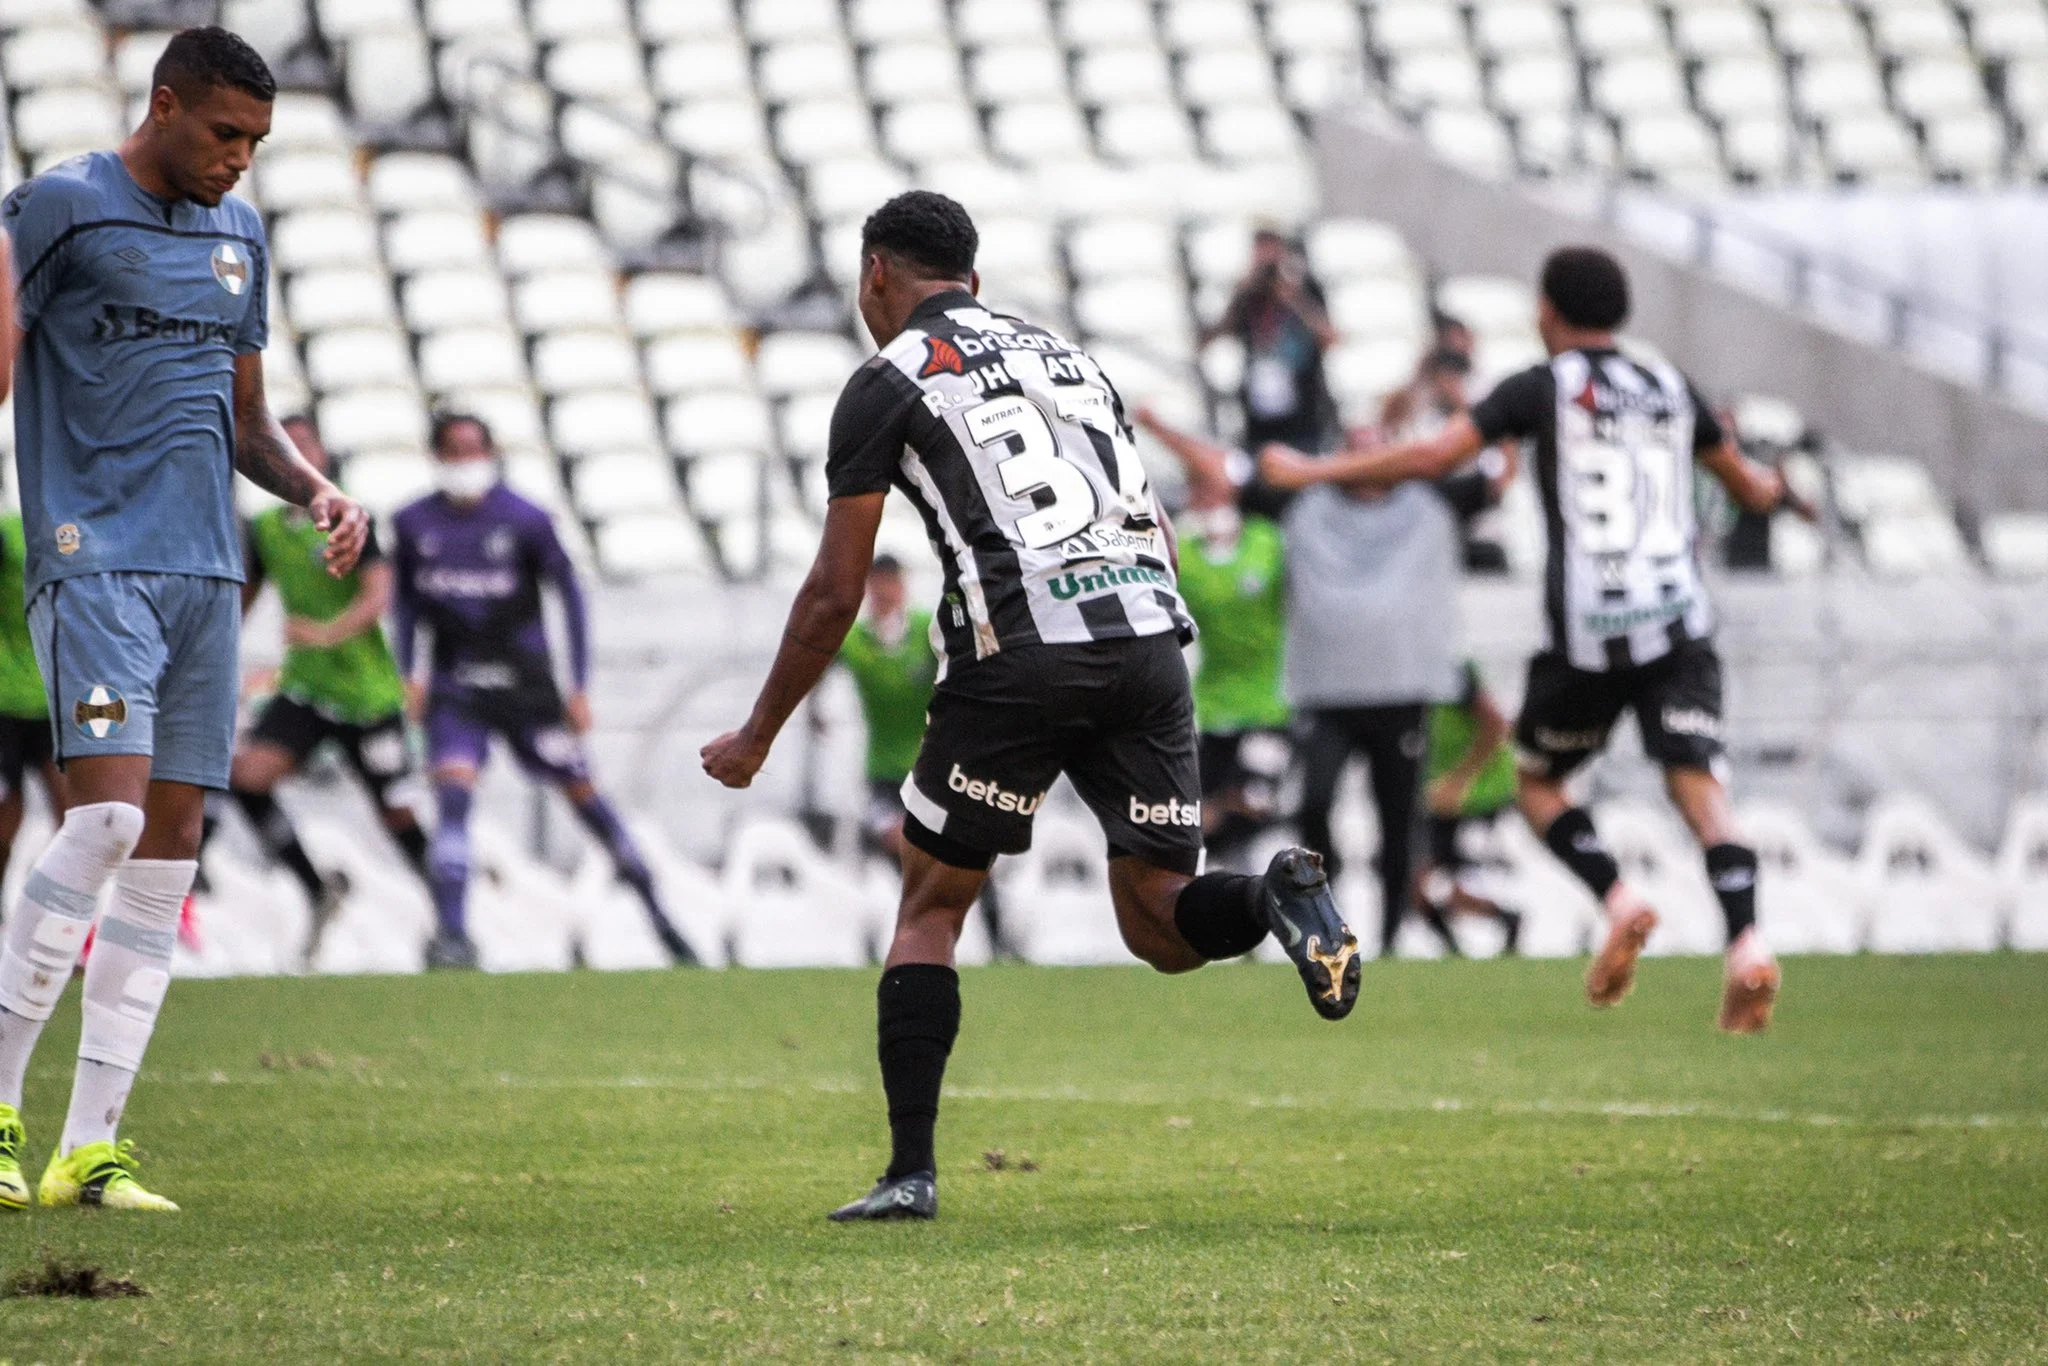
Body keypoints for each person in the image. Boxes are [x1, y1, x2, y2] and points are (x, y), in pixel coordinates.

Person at [702, 191, 1360, 1224]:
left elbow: (836, 590)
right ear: (972, 269)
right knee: (1158, 921)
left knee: (929, 904)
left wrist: (756, 734)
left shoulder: (882, 380)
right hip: (1146, 637)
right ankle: (1272, 895)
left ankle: (909, 1171)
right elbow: (1151, 520)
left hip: (1018, 654)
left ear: (876, 271)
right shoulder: (1068, 358)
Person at [0, 27, 370, 1213]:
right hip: (92, 557)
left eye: (256, 143)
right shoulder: (59, 207)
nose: (240, 161)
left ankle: (88, 1149)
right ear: (163, 107)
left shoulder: (240, 236)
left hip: (204, 575)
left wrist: (313, 490)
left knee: (165, 866)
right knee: (103, 818)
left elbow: (247, 420)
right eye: (224, 135)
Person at [1262, 246, 1816, 1033]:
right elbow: (1749, 486)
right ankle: (1748, 943)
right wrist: (1787, 496)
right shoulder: (1671, 385)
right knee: (1703, 795)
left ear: (1548, 312)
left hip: (1589, 637)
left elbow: (1432, 454)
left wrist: (1308, 473)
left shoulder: (1542, 386)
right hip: (1679, 623)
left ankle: (1618, 899)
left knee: (1540, 785)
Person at [1142, 406, 1508, 957]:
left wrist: (1470, 406)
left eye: (1375, 447)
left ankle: (1390, 941)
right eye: (1354, 447)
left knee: (1398, 823)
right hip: (1324, 692)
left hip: (1402, 690)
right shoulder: (1301, 501)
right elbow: (1226, 470)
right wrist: (1155, 422)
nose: (1363, 460)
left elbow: (1500, 472)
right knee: (1314, 808)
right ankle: (1326, 925)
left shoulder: (1433, 498)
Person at [391, 414, 696, 971]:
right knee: (453, 798)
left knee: (587, 800)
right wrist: (407, 671)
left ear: (492, 451)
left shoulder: (525, 519)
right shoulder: (413, 523)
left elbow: (570, 597)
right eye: (454, 450)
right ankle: (454, 937)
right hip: (456, 685)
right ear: (436, 456)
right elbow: (407, 606)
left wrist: (579, 683)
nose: (465, 461)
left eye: (473, 448)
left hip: (528, 687)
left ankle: (663, 921)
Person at [200, 414, 431, 965]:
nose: (298, 457)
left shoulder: (351, 516)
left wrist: (325, 632)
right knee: (246, 777)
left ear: (324, 455)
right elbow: (243, 601)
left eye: (306, 446)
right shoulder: (268, 529)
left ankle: (451, 914)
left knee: (395, 812)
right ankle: (314, 884)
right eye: (288, 447)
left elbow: (380, 591)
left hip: (367, 693)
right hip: (306, 687)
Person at [1133, 407, 1290, 870]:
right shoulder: (1188, 555)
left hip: (1270, 706)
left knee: (1254, 800)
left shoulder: (1268, 540)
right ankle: (1236, 914)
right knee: (1195, 825)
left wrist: (1158, 424)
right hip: (1215, 708)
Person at [1415, 661, 1523, 955]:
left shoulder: (1451, 671)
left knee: (1456, 887)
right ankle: (1456, 952)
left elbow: (1496, 723)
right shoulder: (1407, 676)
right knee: (1416, 886)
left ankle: (1510, 923)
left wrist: (1461, 780)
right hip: (1441, 799)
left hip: (1479, 797)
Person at [837, 556, 938, 862]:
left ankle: (988, 909)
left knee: (966, 854)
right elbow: (812, 664)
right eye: (876, 583)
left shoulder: (926, 629)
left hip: (935, 768)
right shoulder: (854, 639)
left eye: (890, 582)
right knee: (898, 841)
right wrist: (814, 709)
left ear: (902, 586)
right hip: (884, 773)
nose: (883, 591)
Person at [1201, 227, 1338, 454]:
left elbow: (1330, 337)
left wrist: (1293, 297)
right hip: (1257, 418)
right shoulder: (1248, 296)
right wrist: (1241, 294)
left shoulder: (1305, 290)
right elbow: (1212, 336)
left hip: (1303, 414)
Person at [0, 511, 68, 886]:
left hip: (56, 702)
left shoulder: (88, 532)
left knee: (80, 818)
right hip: (5, 702)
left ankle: (42, 896)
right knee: (8, 819)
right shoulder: (8, 535)